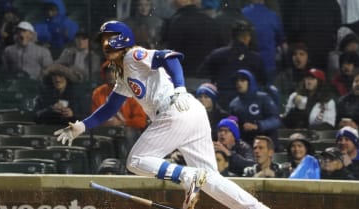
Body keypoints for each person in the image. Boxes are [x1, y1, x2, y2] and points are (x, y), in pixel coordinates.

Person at [53, 20, 269, 209]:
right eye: (103, 40)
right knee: (210, 179)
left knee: (136, 160)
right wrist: (81, 126)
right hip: (192, 113)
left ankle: (187, 176)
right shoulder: (123, 73)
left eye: (110, 39)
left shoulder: (132, 55)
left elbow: (169, 57)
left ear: (123, 39)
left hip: (174, 109)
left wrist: (180, 88)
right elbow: (110, 108)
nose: (105, 44)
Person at [197, 19, 266, 108]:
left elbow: (202, 73)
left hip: (221, 102)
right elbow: (263, 81)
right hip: (247, 104)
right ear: (247, 38)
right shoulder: (255, 58)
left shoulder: (217, 54)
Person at [91, 60, 148, 161]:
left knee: (127, 134)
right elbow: (94, 118)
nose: (111, 74)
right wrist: (104, 123)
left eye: (114, 71)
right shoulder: (98, 93)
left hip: (128, 130)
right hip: (105, 130)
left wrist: (121, 123)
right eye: (108, 72)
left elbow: (141, 122)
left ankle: (127, 167)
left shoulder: (132, 92)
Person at [229, 69, 281, 151]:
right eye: (237, 81)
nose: (239, 83)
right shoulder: (234, 104)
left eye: (243, 80)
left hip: (267, 140)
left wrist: (258, 126)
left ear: (250, 82)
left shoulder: (263, 98)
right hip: (245, 144)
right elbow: (233, 122)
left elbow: (275, 120)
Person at [242, 0, 284, 85]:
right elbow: (280, 39)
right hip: (268, 64)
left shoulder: (243, 14)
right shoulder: (272, 16)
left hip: (247, 64)